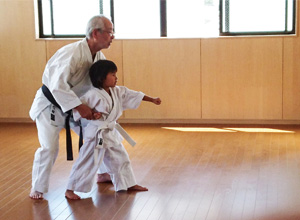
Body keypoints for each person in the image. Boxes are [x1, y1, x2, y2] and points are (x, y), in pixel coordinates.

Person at [29, 15, 114, 200]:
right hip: (50, 105)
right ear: (95, 33)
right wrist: (79, 106)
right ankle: (38, 187)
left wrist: (94, 108)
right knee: (49, 147)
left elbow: (96, 86)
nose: (113, 36)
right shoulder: (72, 53)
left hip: (75, 106)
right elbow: (56, 85)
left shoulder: (99, 56)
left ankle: (103, 172)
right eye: (109, 32)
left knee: (98, 132)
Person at [65, 60, 161, 200]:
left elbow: (133, 95)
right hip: (96, 134)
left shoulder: (117, 91)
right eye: (113, 74)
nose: (116, 77)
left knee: (121, 158)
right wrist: (93, 114)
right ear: (101, 77)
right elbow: (80, 109)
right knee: (86, 161)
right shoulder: (92, 94)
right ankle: (70, 189)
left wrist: (151, 99)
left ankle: (128, 183)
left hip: (110, 132)